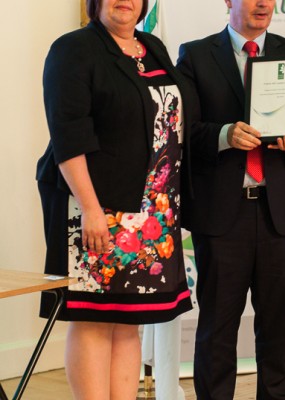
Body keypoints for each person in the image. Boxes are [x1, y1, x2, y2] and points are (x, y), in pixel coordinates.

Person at [36, 0, 194, 398]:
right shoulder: (74, 49)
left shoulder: (151, 47)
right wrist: (90, 209)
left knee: (129, 320)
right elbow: (67, 135)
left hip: (152, 212)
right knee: (93, 319)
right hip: (94, 207)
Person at [176, 0, 285, 398]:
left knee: (280, 329)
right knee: (217, 330)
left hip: (283, 214)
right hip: (223, 215)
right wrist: (224, 136)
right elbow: (182, 132)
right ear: (228, 1)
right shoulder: (194, 55)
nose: (263, 3)